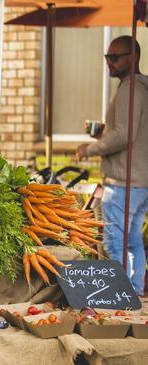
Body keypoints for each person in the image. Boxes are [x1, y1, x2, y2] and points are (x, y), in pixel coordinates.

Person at [76, 36, 148, 295]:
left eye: (114, 57)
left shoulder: (130, 88)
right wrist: (104, 134)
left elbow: (124, 135)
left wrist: (90, 148)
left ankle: (118, 295)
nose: (108, 62)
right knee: (133, 241)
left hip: (123, 183)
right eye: (107, 57)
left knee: (114, 242)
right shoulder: (142, 87)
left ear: (133, 57)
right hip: (141, 182)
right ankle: (135, 291)